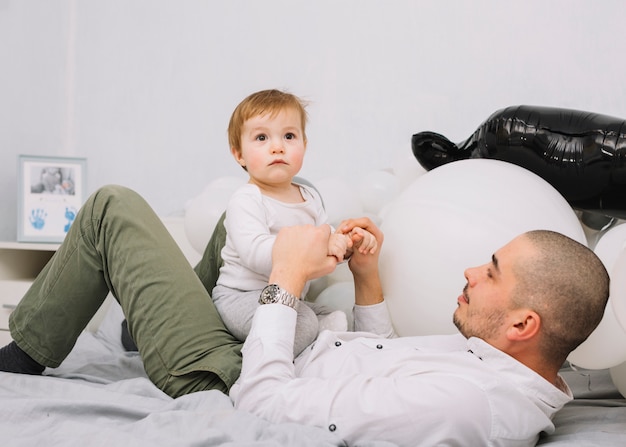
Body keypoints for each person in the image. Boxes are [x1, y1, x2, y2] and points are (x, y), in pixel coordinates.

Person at [0, 186, 609, 445]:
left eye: (493, 272)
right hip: (274, 343)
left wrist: (285, 283)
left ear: (524, 324)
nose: (473, 273)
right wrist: (367, 280)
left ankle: (21, 354)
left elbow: (264, 405)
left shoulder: (470, 408)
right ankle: (150, 322)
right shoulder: (498, 364)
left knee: (113, 207)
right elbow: (379, 363)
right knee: (249, 213)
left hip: (232, 374)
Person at [213, 89, 377, 355]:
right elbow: (256, 254)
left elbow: (325, 239)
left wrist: (347, 242)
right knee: (305, 323)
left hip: (290, 297)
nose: (277, 146)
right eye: (261, 137)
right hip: (241, 298)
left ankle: (309, 340)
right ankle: (253, 362)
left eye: (289, 136)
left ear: (304, 144)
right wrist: (319, 245)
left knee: (335, 317)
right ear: (239, 154)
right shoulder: (247, 199)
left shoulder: (309, 197)